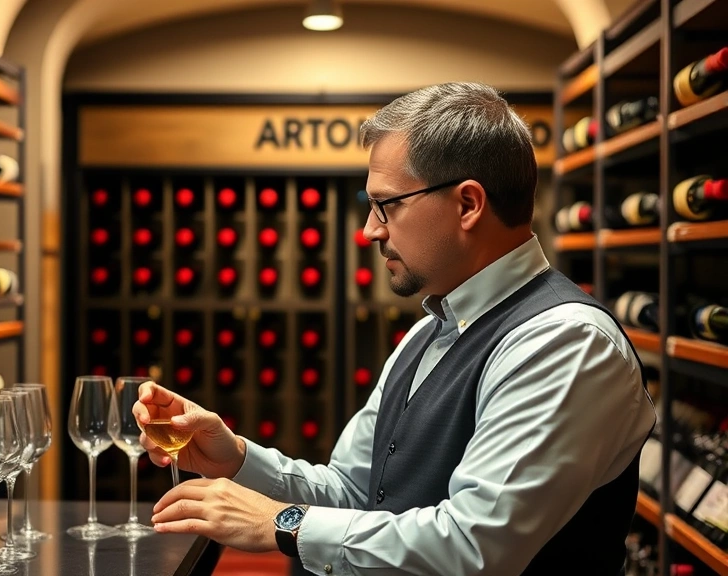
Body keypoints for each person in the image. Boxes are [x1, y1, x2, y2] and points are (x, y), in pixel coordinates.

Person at [133, 81, 656, 576]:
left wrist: (281, 523)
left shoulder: (564, 343)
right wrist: (239, 459)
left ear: (468, 204)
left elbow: (474, 547)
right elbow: (355, 492)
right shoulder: (431, 332)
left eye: (386, 205)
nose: (369, 230)